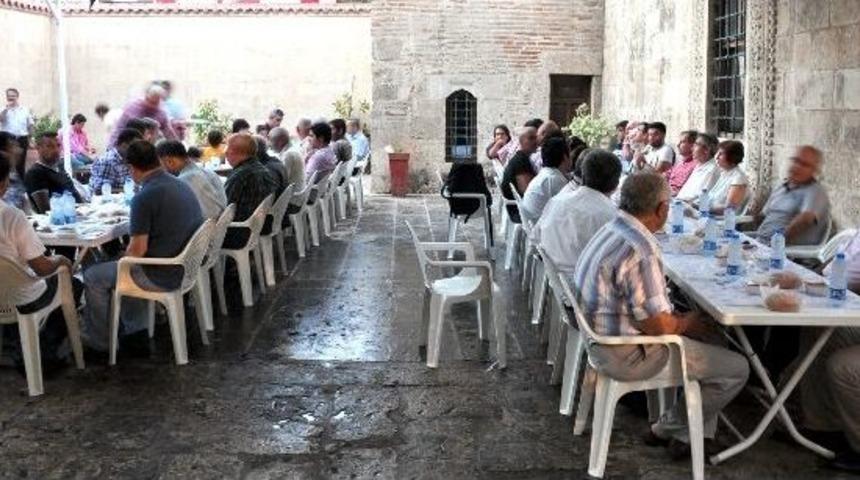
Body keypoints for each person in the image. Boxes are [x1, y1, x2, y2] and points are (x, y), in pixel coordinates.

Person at [575, 171, 749, 456]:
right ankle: (668, 429)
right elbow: (658, 326)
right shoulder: (640, 248)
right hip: (628, 355)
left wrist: (684, 321)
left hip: (599, 342)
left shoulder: (612, 228)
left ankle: (694, 435)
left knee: (712, 339)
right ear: (662, 209)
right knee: (737, 368)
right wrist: (687, 322)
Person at [82, 140, 203, 355]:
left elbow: (136, 253)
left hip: (162, 273)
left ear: (131, 168)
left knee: (94, 275)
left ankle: (101, 344)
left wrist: (122, 257)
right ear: (157, 160)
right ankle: (135, 330)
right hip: (185, 265)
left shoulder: (144, 197)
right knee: (121, 263)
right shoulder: (181, 184)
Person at [0, 153, 78, 371]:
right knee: (71, 283)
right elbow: (42, 267)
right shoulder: (11, 216)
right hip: (18, 298)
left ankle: (19, 344)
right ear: (4, 183)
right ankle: (45, 350)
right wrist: (61, 259)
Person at [532, 149, 621, 280]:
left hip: (553, 279)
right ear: (616, 185)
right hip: (584, 287)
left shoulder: (557, 201)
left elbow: (535, 237)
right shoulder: (611, 216)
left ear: (582, 176)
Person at [753, 145, 831, 246]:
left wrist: (776, 243)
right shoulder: (781, 187)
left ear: (815, 171)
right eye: (795, 160)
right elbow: (763, 216)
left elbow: (805, 220)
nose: (797, 166)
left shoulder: (815, 191)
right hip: (761, 242)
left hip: (785, 250)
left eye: (804, 164)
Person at [222, 134, 277, 249]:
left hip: (238, 233)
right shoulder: (263, 169)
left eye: (227, 147)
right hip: (257, 228)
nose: (225, 152)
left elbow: (224, 209)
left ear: (234, 152)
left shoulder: (240, 175)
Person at [156, 140, 226, 220]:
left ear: (170, 161)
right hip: (219, 224)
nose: (162, 170)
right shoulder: (209, 172)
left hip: (204, 226)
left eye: (161, 165)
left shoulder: (182, 182)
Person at [519, 137, 572, 225]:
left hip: (534, 221)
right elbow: (569, 208)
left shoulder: (546, 173)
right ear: (565, 157)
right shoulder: (555, 180)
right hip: (542, 226)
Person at [107, 84, 176, 146]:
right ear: (146, 96)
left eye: (155, 102)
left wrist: (177, 147)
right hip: (128, 145)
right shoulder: (132, 107)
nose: (151, 105)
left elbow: (168, 132)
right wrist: (112, 145)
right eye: (150, 101)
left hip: (147, 148)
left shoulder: (161, 112)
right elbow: (119, 128)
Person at [23, 132, 83, 203]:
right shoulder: (35, 173)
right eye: (49, 146)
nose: (56, 150)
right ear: (39, 148)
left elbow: (75, 194)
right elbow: (45, 208)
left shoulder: (60, 168)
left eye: (58, 145)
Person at [500, 126, 538, 224]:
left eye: (536, 138)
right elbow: (527, 192)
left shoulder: (523, 158)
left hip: (519, 208)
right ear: (521, 141)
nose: (535, 141)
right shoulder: (520, 161)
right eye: (531, 138)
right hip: (519, 212)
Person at [89, 128, 143, 194]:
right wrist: (128, 189)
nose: (137, 151)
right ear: (124, 145)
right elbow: (100, 190)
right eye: (135, 148)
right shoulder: (108, 161)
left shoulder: (127, 159)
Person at [676, 133, 719, 204]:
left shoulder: (711, 170)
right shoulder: (699, 165)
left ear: (706, 150)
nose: (692, 148)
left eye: (696, 145)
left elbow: (699, 199)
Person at [708, 140, 748, 215]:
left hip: (722, 219)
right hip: (708, 214)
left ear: (732, 157)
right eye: (717, 153)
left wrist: (703, 208)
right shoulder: (724, 173)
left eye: (721, 154)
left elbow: (729, 209)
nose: (716, 157)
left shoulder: (738, 178)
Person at [0, 88, 34, 168]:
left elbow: (30, 125)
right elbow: (1, 119)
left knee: (20, 163)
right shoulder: (3, 109)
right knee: (5, 163)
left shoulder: (25, 109)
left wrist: (30, 138)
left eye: (13, 96)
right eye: (8, 96)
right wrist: (6, 109)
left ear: (17, 97)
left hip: (22, 139)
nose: (10, 97)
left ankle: (20, 176)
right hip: (7, 140)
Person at [0, 132, 27, 211]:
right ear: (2, 153)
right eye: (13, 146)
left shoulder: (15, 175)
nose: (20, 151)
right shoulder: (3, 178)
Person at [667, 130, 698, 195]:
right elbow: (666, 175)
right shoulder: (679, 163)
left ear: (692, 145)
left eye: (682, 142)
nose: (678, 145)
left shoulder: (696, 165)